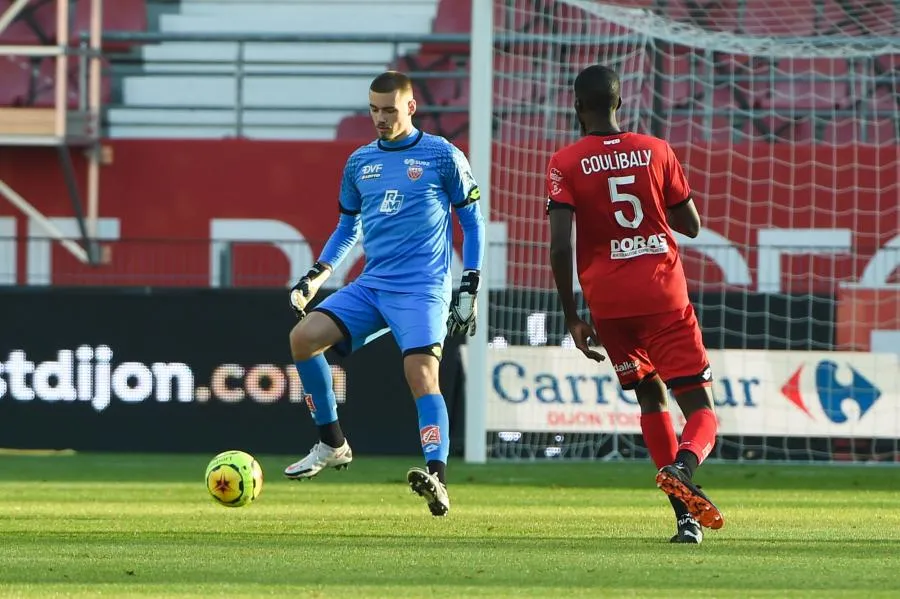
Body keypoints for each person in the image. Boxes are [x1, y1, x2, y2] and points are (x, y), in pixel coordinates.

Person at [283, 70, 485, 517]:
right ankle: (332, 443)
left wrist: (470, 282)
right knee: (303, 338)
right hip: (373, 285)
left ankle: (438, 477)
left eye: (389, 110)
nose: (380, 118)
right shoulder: (359, 162)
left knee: (421, 376)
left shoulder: (443, 155)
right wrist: (316, 275)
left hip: (423, 288)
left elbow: (472, 223)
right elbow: (346, 227)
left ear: (410, 107)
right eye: (374, 109)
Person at [546, 65, 724, 543]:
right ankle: (684, 469)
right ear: (619, 104)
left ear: (577, 106)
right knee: (702, 408)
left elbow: (560, 246)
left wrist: (571, 316)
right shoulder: (656, 151)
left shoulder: (564, 161)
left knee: (650, 397)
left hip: (609, 305)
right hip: (662, 295)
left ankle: (685, 520)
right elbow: (692, 226)